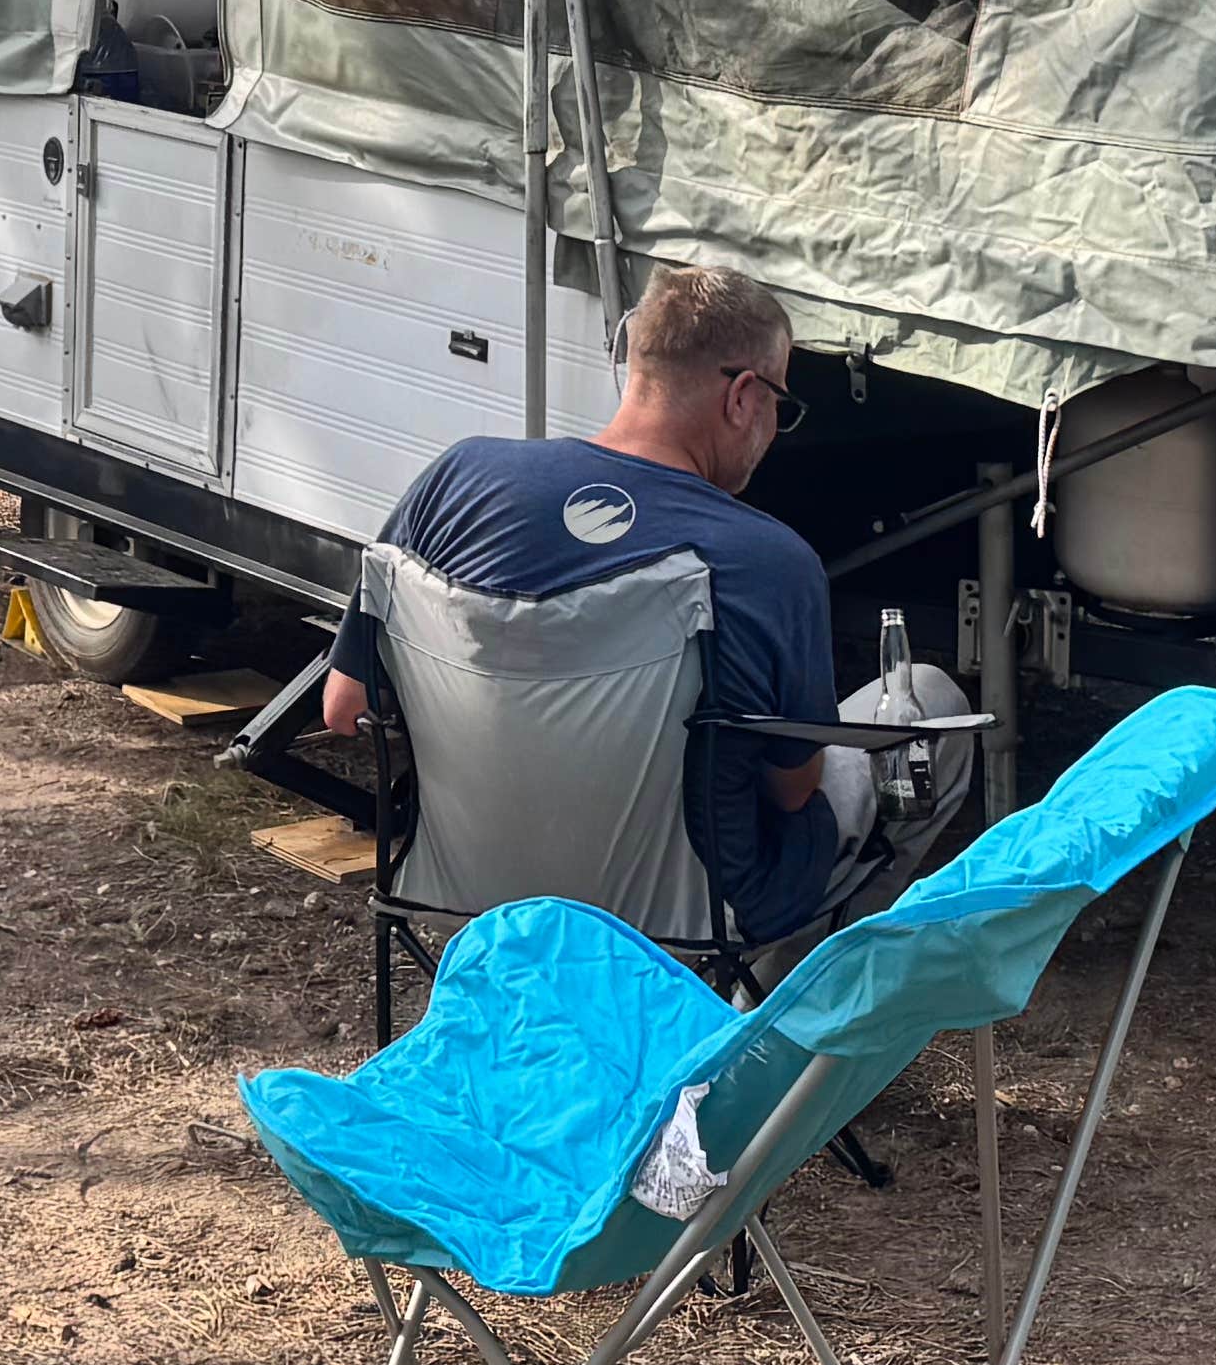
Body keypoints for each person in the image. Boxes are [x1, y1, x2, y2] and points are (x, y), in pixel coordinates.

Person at [321, 264, 842, 943]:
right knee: (922, 713)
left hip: (466, 900)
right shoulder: (768, 562)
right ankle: (755, 1026)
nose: (775, 426)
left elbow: (343, 708)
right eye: (780, 404)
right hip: (684, 932)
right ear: (744, 396)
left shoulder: (456, 480)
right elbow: (793, 789)